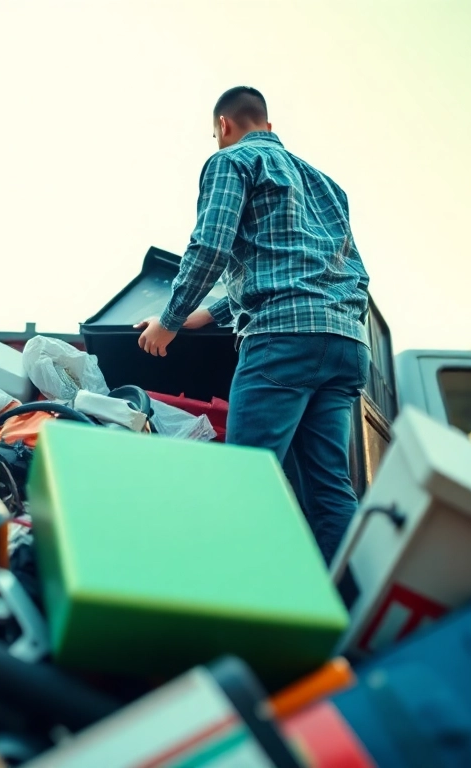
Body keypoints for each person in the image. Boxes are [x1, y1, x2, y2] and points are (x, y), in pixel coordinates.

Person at [136, 86, 371, 563]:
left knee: (245, 479)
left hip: (282, 342)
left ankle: (241, 604)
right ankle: (347, 614)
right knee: (331, 491)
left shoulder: (231, 161)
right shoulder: (326, 184)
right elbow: (303, 267)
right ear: (267, 121)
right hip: (346, 342)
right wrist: (204, 316)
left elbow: (211, 246)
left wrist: (169, 320)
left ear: (223, 126)